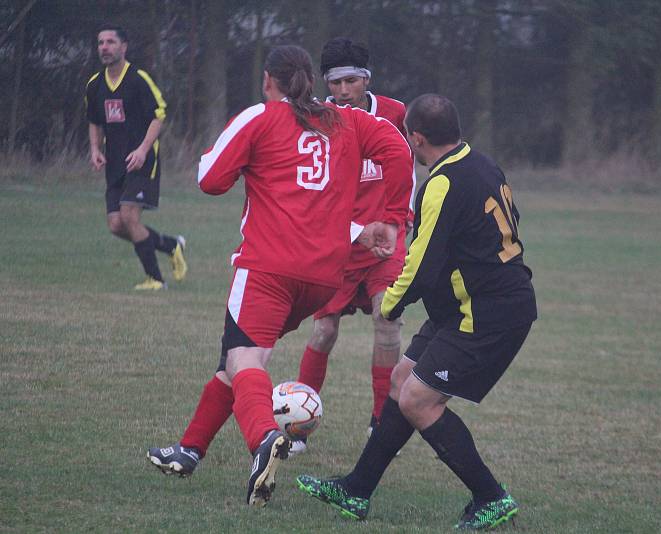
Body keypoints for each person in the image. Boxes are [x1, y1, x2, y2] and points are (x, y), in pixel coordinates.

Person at [146, 45, 412, 507]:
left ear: (268, 80)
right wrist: (391, 217)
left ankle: (264, 438)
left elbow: (208, 179)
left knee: (244, 361)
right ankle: (188, 450)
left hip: (268, 267)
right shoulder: (346, 120)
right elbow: (397, 150)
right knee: (235, 358)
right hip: (323, 276)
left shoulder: (263, 116)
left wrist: (246, 163)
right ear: (315, 79)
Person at [296, 94, 537, 530]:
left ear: (416, 138)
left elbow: (421, 265)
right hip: (465, 307)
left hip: (487, 313)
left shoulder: (440, 185)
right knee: (401, 381)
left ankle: (491, 496)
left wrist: (388, 304)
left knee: (419, 400)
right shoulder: (482, 163)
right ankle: (356, 490)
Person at [293, 38, 416, 454]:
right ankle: (298, 423)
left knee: (387, 320)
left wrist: (403, 221)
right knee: (324, 330)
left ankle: (381, 421)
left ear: (366, 79)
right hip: (338, 242)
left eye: (351, 81)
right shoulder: (317, 120)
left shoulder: (397, 115)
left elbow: (415, 165)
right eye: (335, 83)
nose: (343, 91)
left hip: (387, 238)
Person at [85, 25, 186, 290]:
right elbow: (94, 121)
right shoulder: (95, 85)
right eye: (100, 43)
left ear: (124, 47)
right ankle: (170, 245)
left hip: (142, 161)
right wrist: (95, 149)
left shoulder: (138, 79)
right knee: (116, 225)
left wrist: (143, 149)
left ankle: (156, 280)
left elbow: (159, 114)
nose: (104, 47)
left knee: (130, 218)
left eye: (110, 42)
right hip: (115, 164)